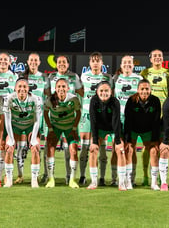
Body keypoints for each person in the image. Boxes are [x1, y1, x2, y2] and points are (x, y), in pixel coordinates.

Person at [140, 49, 169, 186]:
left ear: (163, 58)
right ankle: (145, 176)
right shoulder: (145, 73)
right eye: (155, 56)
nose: (157, 58)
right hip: (149, 114)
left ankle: (161, 176)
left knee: (164, 145)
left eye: (160, 56)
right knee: (148, 146)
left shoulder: (168, 73)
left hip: (164, 115)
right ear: (150, 58)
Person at [47, 55, 83, 185]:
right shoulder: (50, 77)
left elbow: (82, 93)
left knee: (71, 149)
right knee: (49, 146)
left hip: (69, 121)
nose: (61, 64)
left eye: (64, 62)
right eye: (59, 62)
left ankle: (70, 177)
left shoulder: (74, 77)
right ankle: (48, 176)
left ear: (68, 64)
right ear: (56, 64)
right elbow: (47, 96)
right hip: (54, 120)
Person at [79, 52, 113, 186]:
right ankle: (82, 176)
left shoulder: (107, 77)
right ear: (89, 63)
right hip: (87, 116)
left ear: (101, 63)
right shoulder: (84, 76)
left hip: (102, 116)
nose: (95, 63)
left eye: (97, 60)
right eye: (93, 60)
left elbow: (111, 95)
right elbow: (81, 92)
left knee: (102, 148)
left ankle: (102, 177)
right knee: (85, 146)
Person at [87, 81, 126, 190]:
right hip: (99, 129)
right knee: (93, 150)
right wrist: (94, 141)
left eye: (106, 91)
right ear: (97, 92)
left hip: (114, 129)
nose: (104, 93)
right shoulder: (93, 101)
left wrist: (118, 141)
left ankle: (121, 182)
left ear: (111, 92)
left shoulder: (115, 102)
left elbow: (116, 121)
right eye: (101, 91)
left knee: (120, 151)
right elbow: (93, 121)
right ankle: (94, 182)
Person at [19, 52, 50, 185]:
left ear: (39, 62)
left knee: (38, 145)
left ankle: (43, 174)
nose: (33, 62)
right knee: (21, 145)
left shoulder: (44, 77)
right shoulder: (21, 77)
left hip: (39, 115)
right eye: (31, 60)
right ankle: (20, 175)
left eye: (35, 60)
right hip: (24, 115)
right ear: (27, 61)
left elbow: (48, 95)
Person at [111, 55, 142, 187]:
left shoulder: (139, 79)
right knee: (115, 148)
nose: (127, 65)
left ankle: (130, 178)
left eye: (129, 63)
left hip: (133, 119)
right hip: (118, 119)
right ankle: (114, 178)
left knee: (131, 149)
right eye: (125, 63)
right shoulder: (115, 79)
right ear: (121, 65)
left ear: (133, 65)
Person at [4, 78, 42, 188]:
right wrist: (11, 139)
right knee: (9, 148)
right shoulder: (9, 99)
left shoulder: (35, 99)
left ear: (28, 89)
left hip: (30, 125)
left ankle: (34, 180)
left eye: (24, 87)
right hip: (15, 126)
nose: (22, 89)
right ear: (15, 88)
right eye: (19, 86)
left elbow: (37, 120)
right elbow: (7, 120)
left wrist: (33, 138)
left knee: (35, 148)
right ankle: (9, 180)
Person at [124, 79, 161, 190]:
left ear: (150, 90)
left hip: (148, 130)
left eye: (147, 89)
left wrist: (155, 139)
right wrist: (127, 139)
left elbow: (156, 121)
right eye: (142, 89)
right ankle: (130, 180)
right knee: (130, 150)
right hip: (134, 129)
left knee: (154, 151)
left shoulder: (155, 100)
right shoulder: (131, 100)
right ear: (138, 90)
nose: (144, 91)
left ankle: (154, 182)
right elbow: (127, 120)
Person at [0, 52, 18, 184]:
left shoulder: (15, 76)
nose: (3, 61)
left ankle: (7, 174)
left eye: (5, 60)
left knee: (8, 145)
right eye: (1, 59)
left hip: (9, 114)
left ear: (10, 62)